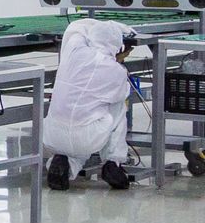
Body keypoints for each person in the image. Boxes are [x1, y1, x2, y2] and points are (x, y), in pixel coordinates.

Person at [43, 19, 136, 192]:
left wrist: (103, 24)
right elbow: (118, 94)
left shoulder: (74, 50)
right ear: (118, 46)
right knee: (117, 107)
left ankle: (64, 163)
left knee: (83, 115)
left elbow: (76, 26)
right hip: (86, 137)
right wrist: (118, 59)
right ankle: (112, 162)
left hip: (51, 134)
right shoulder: (116, 72)